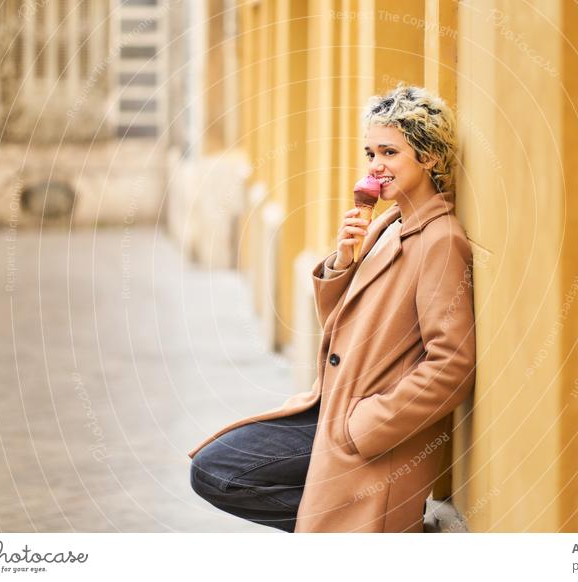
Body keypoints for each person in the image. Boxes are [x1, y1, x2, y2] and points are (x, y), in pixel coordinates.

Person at [189, 84, 476, 533]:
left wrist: (365, 426)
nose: (376, 166)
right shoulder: (389, 223)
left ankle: (355, 521)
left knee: (221, 472)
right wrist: (344, 259)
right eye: (370, 153)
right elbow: (349, 328)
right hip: (331, 407)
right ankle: (340, 519)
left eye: (390, 152)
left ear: (430, 158)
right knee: (213, 467)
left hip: (365, 430)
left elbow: (452, 362)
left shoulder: (441, 241)